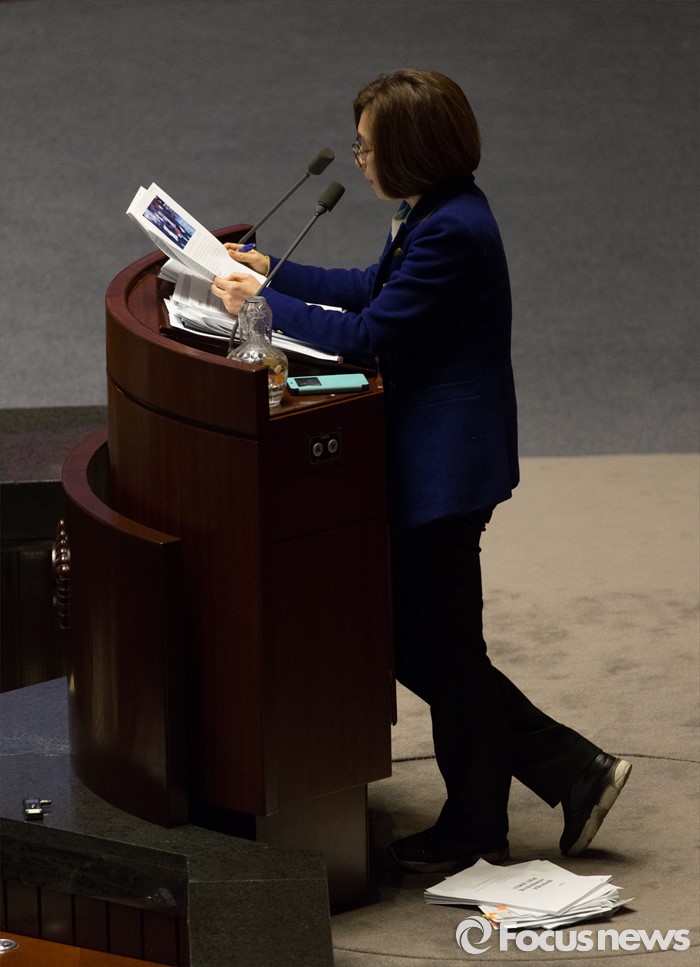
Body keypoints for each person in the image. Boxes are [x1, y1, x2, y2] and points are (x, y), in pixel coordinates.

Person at [212, 69, 632, 873]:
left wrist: (256, 307)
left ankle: (516, 801)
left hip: (447, 466)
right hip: (435, 456)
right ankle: (543, 784)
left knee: (435, 649)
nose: (361, 160)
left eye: (369, 148)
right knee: (436, 646)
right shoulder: (436, 209)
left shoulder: (452, 231)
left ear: (409, 150)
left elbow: (370, 333)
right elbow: (371, 289)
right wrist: (272, 273)